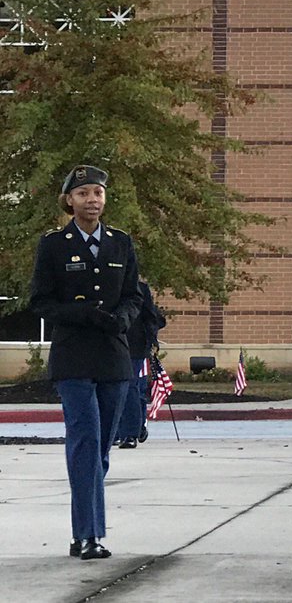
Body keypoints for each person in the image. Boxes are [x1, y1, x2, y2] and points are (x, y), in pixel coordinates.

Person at [29, 165, 143, 560]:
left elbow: (134, 295)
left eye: (97, 193)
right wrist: (83, 315)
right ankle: (90, 535)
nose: (92, 200)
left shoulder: (121, 243)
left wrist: (124, 318)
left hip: (113, 356)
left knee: (102, 448)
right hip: (73, 355)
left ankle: (84, 531)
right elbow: (40, 302)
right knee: (85, 442)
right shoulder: (54, 245)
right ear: (69, 201)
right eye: (83, 194)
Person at [116, 280, 167, 449]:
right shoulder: (104, 283)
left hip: (135, 346)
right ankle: (116, 431)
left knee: (130, 387)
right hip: (109, 343)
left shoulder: (140, 288)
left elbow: (151, 317)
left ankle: (130, 434)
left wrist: (152, 340)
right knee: (112, 388)